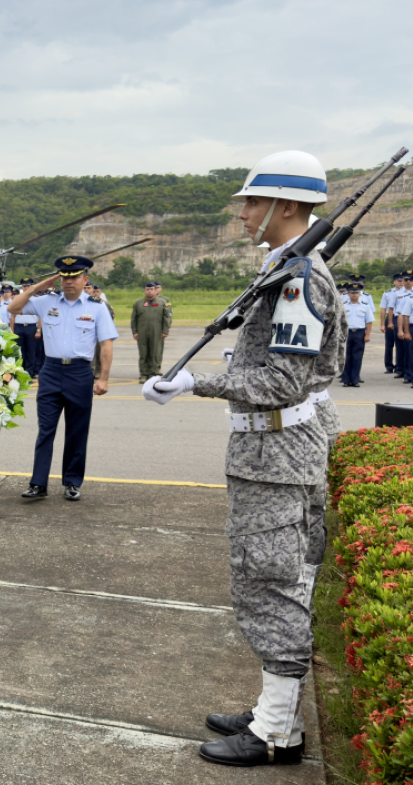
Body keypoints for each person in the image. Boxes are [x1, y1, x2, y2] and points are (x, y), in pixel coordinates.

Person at [144, 150, 343, 767]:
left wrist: (195, 382)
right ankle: (271, 709)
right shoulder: (286, 269)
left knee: (270, 582)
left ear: (287, 206)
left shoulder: (301, 279)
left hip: (278, 455)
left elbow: (283, 382)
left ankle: (279, 733)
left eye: (253, 202)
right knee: (274, 576)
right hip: (273, 450)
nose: (244, 213)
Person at [8, 255, 116, 502]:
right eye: (65, 277)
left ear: (84, 279)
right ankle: (38, 483)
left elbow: (106, 344)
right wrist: (36, 288)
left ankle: (72, 482)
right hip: (51, 371)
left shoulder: (96, 307)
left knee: (77, 431)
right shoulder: (46, 302)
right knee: (45, 429)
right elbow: (12, 308)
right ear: (58, 279)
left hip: (80, 372)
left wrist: (104, 379)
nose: (69, 281)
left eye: (75, 277)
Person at [130, 281, 172, 383]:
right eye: (147, 289)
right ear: (145, 291)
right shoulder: (138, 303)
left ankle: (153, 374)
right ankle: (143, 374)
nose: (149, 292)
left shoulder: (162, 302)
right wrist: (135, 331)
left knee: (155, 352)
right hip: (142, 331)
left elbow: (167, 317)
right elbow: (134, 319)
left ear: (155, 290)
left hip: (157, 331)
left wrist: (165, 330)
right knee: (143, 353)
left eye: (151, 289)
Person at [340, 283, 373, 387]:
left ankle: (355, 380)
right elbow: (339, 322)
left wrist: (367, 335)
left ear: (359, 294)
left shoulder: (365, 306)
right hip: (347, 333)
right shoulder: (343, 306)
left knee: (357, 357)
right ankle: (346, 380)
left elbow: (369, 322)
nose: (354, 294)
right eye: (352, 292)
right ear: (348, 294)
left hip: (359, 333)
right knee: (346, 357)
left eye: (356, 292)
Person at [13, 277, 41, 377]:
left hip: (31, 327)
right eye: (24, 286)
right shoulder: (18, 298)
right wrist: (12, 330)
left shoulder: (37, 300)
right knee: (20, 351)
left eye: (28, 286)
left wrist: (38, 330)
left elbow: (40, 316)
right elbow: (12, 315)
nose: (26, 287)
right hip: (19, 326)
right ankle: (20, 372)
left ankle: (29, 373)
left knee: (31, 351)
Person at [380, 273, 402, 374]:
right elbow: (383, 309)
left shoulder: (408, 293)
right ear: (394, 282)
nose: (401, 282)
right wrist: (382, 324)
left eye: (402, 280)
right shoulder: (387, 293)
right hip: (390, 318)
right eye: (398, 280)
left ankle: (399, 367)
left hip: (402, 318)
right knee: (389, 344)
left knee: (400, 344)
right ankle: (389, 366)